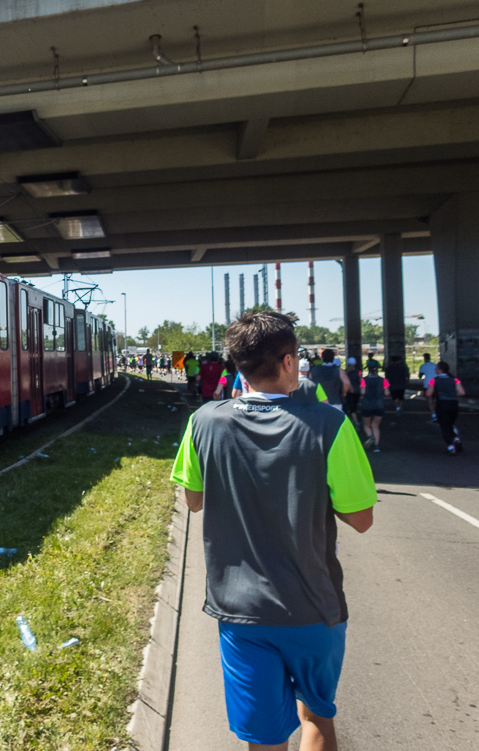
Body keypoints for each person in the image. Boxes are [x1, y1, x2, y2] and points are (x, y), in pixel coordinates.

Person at [171, 310, 376, 750]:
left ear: (237, 365)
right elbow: (361, 519)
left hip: (239, 612)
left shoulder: (204, 421)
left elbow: (193, 499)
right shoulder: (329, 425)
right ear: (289, 362)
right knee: (316, 716)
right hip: (313, 607)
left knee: (264, 738)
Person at [425, 361, 465, 455]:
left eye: (436, 368)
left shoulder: (434, 380)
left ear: (439, 370)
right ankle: (456, 438)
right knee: (450, 424)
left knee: (444, 426)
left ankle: (451, 447)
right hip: (453, 404)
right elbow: (462, 392)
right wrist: (453, 394)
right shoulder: (455, 380)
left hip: (442, 404)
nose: (435, 370)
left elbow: (428, 394)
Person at [359, 360, 389, 452]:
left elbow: (363, 392)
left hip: (367, 404)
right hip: (379, 404)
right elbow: (387, 393)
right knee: (375, 426)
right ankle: (376, 447)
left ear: (368, 369)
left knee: (366, 425)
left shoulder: (363, 380)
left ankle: (369, 437)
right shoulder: (383, 380)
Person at [418, 353, 438, 422]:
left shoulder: (422, 366)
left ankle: (432, 413)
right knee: (435, 398)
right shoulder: (435, 365)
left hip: (427, 384)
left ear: (424, 358)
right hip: (436, 384)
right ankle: (434, 410)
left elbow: (420, 376)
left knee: (429, 398)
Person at [342, 357, 361, 426]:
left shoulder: (345, 372)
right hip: (357, 391)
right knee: (354, 407)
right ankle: (354, 422)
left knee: (351, 407)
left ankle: (356, 422)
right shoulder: (358, 372)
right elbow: (360, 381)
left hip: (349, 391)